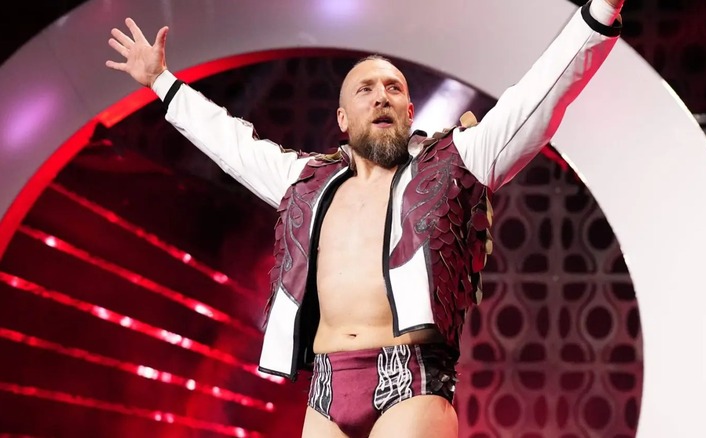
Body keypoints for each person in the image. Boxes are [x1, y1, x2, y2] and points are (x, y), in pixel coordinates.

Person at [106, 1, 624, 436]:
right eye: (366, 89)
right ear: (342, 119)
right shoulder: (305, 182)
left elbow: (538, 97)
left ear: (409, 110)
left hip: (412, 384)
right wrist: (161, 82)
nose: (381, 95)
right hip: (326, 388)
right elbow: (232, 144)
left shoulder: (455, 163)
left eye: (393, 88)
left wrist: (600, 12)